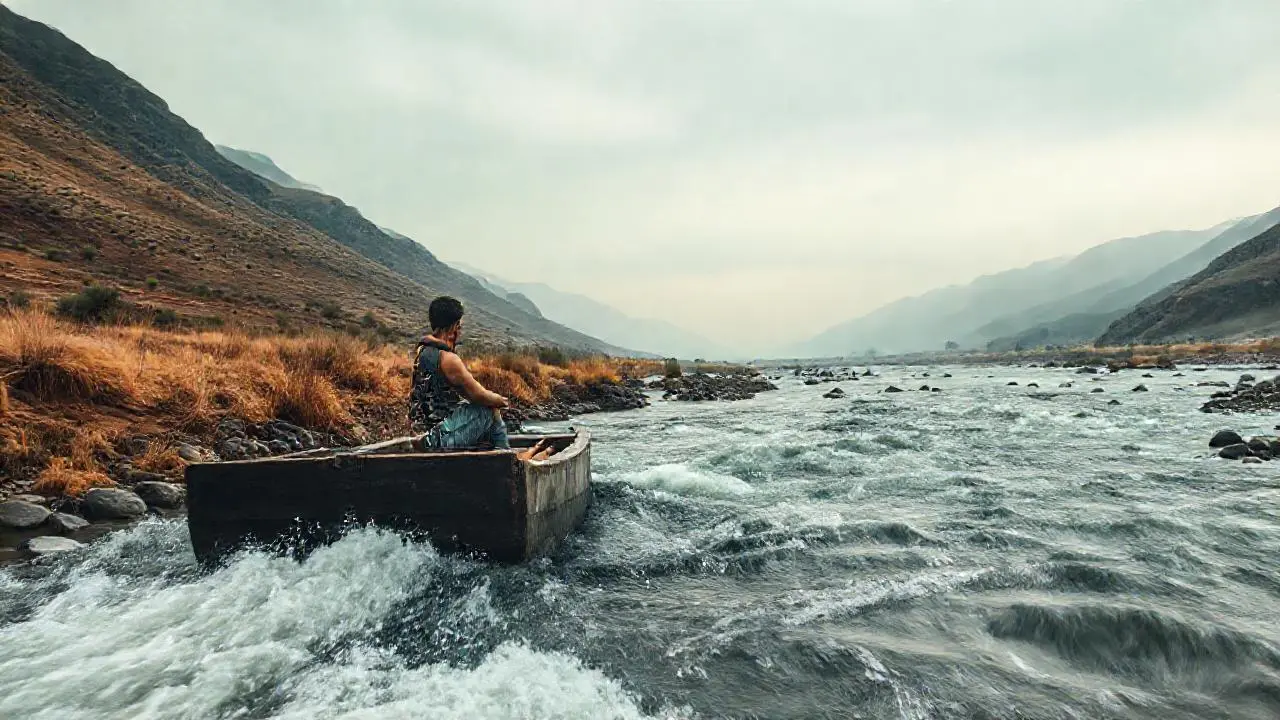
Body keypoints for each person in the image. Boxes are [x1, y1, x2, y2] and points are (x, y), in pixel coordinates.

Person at [410, 296, 552, 460]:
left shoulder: (422, 352)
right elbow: (478, 395)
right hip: (436, 442)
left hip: (420, 436)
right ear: (454, 328)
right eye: (459, 327)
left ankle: (502, 455)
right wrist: (502, 401)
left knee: (472, 409)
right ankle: (507, 460)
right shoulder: (448, 359)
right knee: (489, 410)